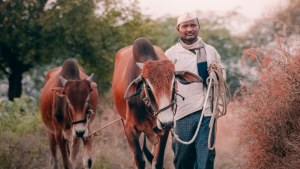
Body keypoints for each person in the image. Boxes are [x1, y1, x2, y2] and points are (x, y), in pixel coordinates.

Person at [165, 12, 226, 169]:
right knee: (182, 159)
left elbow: (223, 73)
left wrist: (217, 73)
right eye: (185, 26)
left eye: (193, 25)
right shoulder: (170, 54)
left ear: (198, 27)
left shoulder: (210, 50)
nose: (189, 29)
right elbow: (164, 85)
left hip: (207, 112)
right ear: (178, 29)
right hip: (182, 113)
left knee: (206, 158)